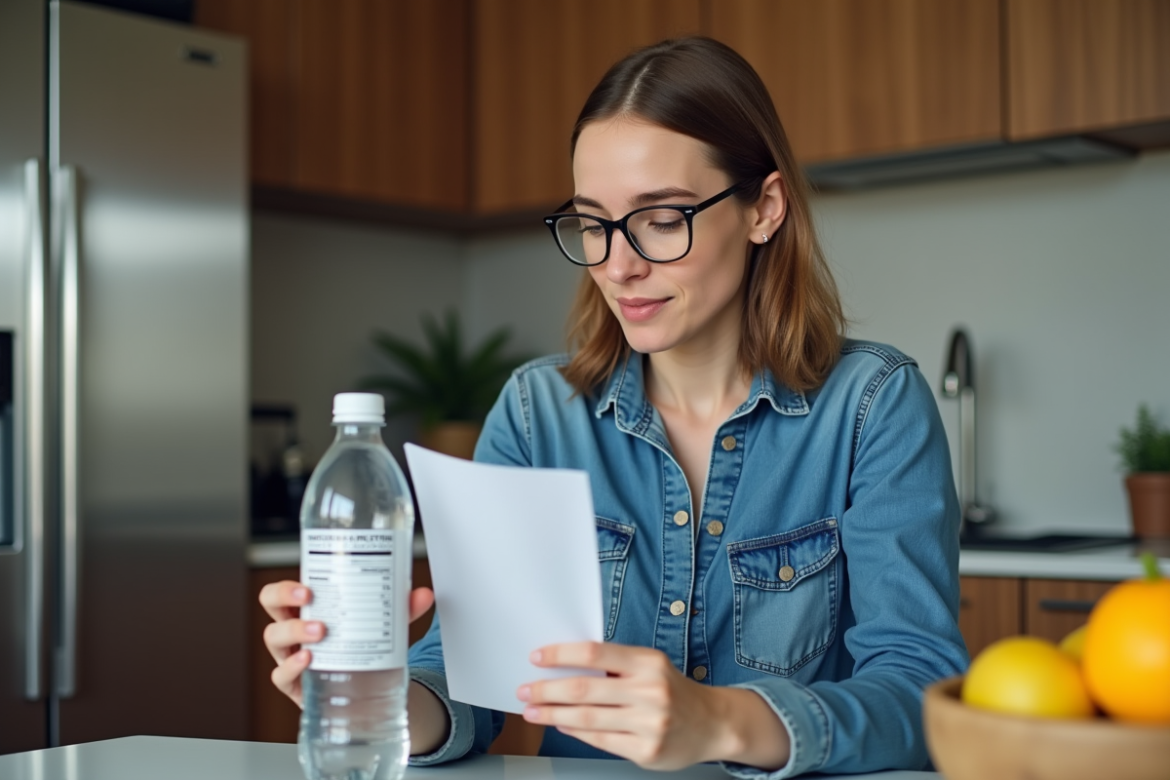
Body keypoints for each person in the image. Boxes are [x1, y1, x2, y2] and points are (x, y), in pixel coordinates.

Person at [260, 36, 967, 778]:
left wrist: (720, 720)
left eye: (662, 219)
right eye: (594, 224)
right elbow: (474, 682)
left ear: (764, 207)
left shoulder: (874, 405)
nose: (617, 264)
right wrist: (374, 700)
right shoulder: (538, 413)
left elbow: (921, 691)